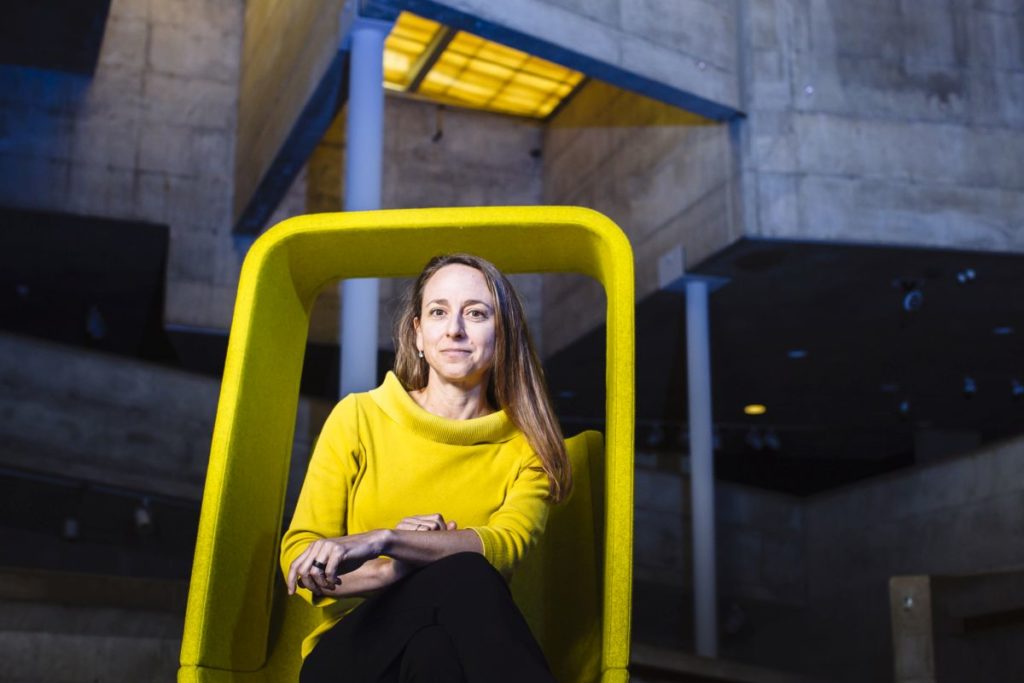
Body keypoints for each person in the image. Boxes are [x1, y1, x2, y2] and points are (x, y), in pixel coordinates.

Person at [280, 253, 572, 682]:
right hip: (349, 662)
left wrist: (385, 540)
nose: (454, 329)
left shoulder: (528, 448)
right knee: (464, 572)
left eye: (475, 313)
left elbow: (505, 547)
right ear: (418, 333)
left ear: (503, 334)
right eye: (438, 312)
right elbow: (300, 562)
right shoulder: (359, 416)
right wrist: (392, 567)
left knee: (435, 651)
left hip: (444, 660)